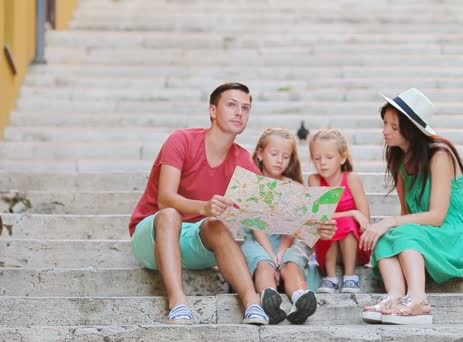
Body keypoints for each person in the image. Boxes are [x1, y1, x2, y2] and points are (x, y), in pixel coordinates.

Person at [128, 82, 337, 325]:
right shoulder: (181, 140)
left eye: (245, 108)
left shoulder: (242, 161)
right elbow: (165, 199)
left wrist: (315, 226)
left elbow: (272, 213)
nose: (239, 112)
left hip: (198, 241)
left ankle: (252, 304)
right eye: (231, 105)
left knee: (217, 225)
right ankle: (178, 302)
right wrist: (204, 207)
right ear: (212, 111)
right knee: (171, 215)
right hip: (154, 236)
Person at [360, 88, 463, 325]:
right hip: (430, 234)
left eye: (394, 127)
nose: (386, 131)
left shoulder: (440, 155)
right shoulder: (398, 159)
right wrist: (388, 230)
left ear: (411, 130)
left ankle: (418, 300)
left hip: (459, 236)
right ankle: (395, 297)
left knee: (398, 229)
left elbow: (437, 216)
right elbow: (409, 215)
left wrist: (389, 222)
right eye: (385, 123)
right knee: (386, 237)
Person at [242, 128, 318, 324]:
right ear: (260, 153)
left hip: (286, 240)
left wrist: (282, 253)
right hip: (257, 239)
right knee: (263, 264)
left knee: (292, 262)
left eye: (285, 156)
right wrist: (271, 256)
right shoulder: (252, 186)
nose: (279, 160)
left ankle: (299, 297)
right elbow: (256, 227)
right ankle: (269, 296)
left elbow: (293, 227)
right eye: (274, 154)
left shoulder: (295, 188)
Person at [308, 129, 371, 294]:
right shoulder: (314, 180)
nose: (322, 163)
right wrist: (351, 213)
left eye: (329, 157)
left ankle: (350, 276)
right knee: (327, 224)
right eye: (317, 158)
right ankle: (330, 278)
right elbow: (318, 217)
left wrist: (353, 216)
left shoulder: (351, 179)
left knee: (346, 223)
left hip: (355, 247)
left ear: (342, 158)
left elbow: (365, 219)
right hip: (327, 245)